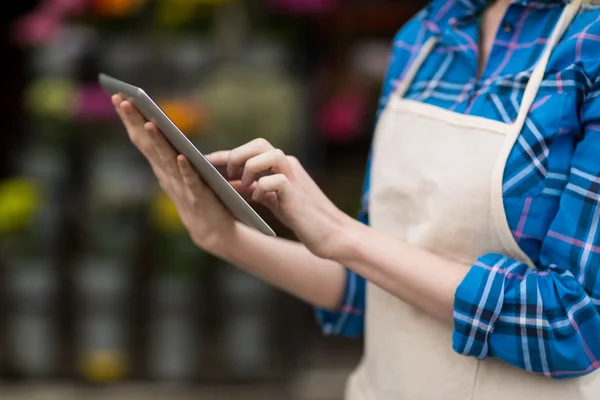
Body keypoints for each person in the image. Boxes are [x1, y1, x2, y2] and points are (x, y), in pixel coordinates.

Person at [113, 0, 600, 398]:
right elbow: (376, 290)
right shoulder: (426, 35)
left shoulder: (589, 44)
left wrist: (342, 234)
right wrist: (223, 237)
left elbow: (573, 324)